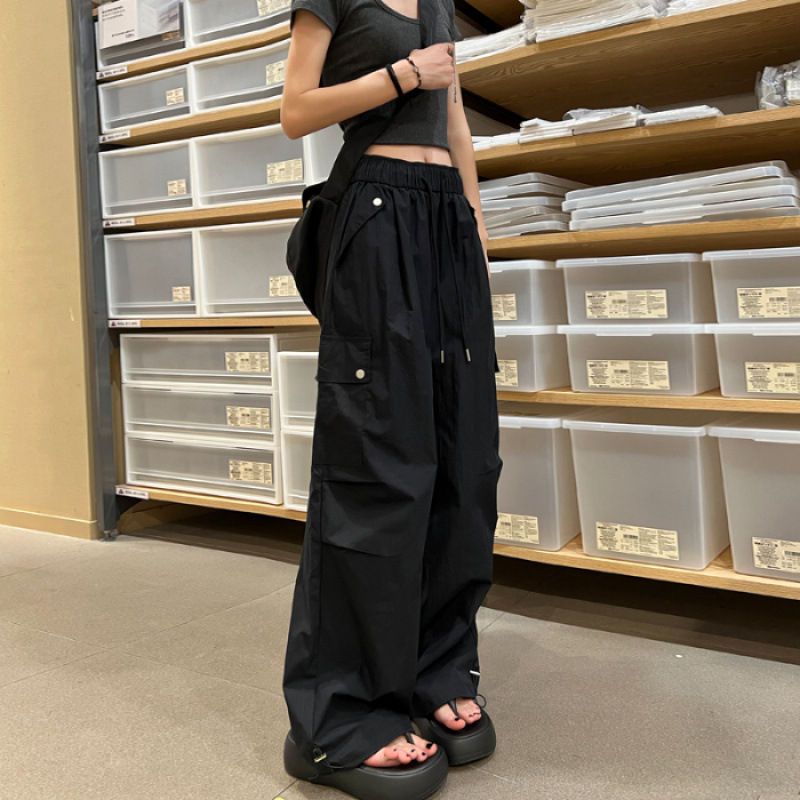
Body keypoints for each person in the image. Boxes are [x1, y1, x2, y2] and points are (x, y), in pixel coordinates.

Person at [280, 0, 502, 795]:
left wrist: (475, 230)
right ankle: (341, 715)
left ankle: (437, 670)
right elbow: (296, 112)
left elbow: (457, 123)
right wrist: (403, 73)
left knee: (464, 461)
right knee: (376, 462)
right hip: (375, 211)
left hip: (445, 221)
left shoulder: (438, 5)